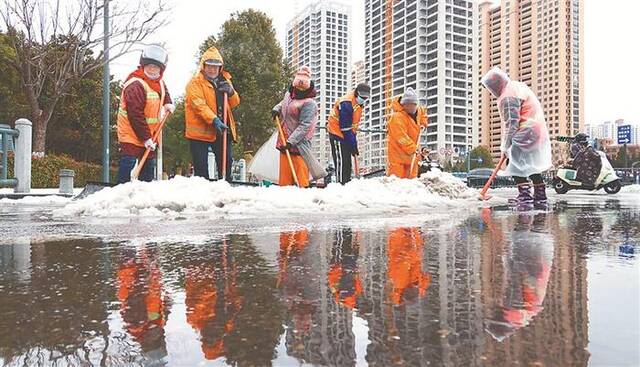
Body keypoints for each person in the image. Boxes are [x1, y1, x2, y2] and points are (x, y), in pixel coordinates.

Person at [480, 67, 552, 210]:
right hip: (536, 130)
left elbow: (511, 123)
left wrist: (505, 146)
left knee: (513, 160)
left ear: (495, 84)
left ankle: (524, 195)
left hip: (525, 130)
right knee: (529, 163)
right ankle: (540, 193)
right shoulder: (516, 87)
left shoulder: (508, 96)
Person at [116, 44, 173, 184]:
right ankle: (120, 191)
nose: (152, 70)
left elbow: (163, 91)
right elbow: (135, 114)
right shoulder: (135, 84)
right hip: (131, 132)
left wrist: (168, 102)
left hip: (150, 133)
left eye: (156, 67)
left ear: (161, 69)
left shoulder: (158, 82)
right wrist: (146, 138)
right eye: (149, 66)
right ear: (143, 66)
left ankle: (144, 193)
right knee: (128, 162)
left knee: (148, 166)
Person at [185, 46, 240, 181]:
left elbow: (234, 103)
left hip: (222, 129)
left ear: (220, 67)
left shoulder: (225, 80)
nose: (212, 69)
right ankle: (202, 196)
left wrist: (231, 92)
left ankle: (225, 189)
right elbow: (199, 105)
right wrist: (214, 119)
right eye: (209, 66)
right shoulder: (195, 83)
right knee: (201, 169)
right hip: (200, 133)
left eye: (216, 67)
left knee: (226, 163)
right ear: (204, 66)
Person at [271, 66, 319, 187]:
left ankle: (302, 197)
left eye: (301, 89)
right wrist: (277, 109)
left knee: (300, 174)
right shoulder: (290, 94)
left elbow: (305, 125)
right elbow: (284, 103)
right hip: (284, 138)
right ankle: (285, 194)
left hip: (300, 145)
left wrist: (291, 141)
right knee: (285, 176)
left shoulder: (309, 104)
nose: (298, 90)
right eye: (297, 87)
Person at [327, 83, 370, 184]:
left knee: (347, 162)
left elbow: (352, 125)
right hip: (337, 133)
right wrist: (352, 144)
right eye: (362, 97)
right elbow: (345, 127)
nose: (363, 99)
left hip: (347, 133)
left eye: (366, 98)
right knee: (342, 162)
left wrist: (353, 143)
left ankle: (347, 184)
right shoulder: (346, 103)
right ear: (356, 93)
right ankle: (341, 185)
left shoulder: (359, 103)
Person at [386, 87, 429, 178]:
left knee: (412, 182)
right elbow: (401, 137)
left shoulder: (418, 110)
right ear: (403, 105)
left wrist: (423, 123)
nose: (410, 107)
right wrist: (413, 148)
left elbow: (423, 114)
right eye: (408, 105)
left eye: (413, 105)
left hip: (412, 155)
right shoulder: (396, 118)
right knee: (396, 181)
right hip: (398, 156)